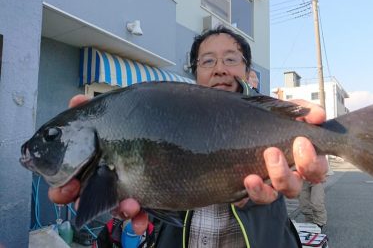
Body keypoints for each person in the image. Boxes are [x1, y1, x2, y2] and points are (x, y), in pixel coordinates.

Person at [48, 26, 328, 247]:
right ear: (195, 75)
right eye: (208, 61)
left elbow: (306, 142)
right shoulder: (168, 118)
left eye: (231, 59)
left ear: (248, 72)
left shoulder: (270, 117)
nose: (220, 68)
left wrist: (316, 150)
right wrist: (114, 194)